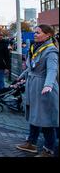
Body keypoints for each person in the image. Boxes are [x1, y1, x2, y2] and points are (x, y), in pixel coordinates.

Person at [15, 25, 59, 157]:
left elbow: (52, 70)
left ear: (48, 35)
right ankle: (31, 143)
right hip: (33, 86)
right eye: (34, 32)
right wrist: (21, 76)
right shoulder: (35, 47)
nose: (34, 34)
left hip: (44, 88)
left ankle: (48, 149)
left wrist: (48, 85)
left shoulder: (51, 51)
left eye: (38, 33)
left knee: (45, 119)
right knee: (34, 115)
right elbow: (31, 67)